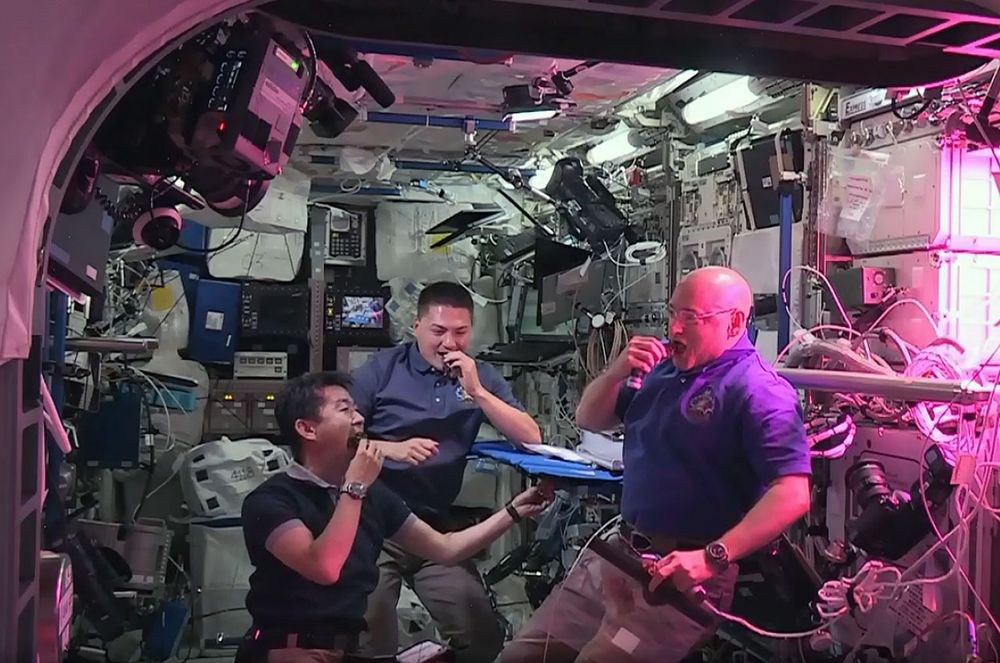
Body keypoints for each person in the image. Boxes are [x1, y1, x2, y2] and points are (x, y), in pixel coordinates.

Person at [500, 266, 812, 663]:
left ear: (735, 322)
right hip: (620, 555)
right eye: (672, 313)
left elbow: (793, 493)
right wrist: (617, 370)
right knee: (522, 656)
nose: (676, 328)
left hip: (681, 574)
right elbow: (589, 417)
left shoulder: (759, 390)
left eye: (691, 318)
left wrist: (712, 556)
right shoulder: (662, 369)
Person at [239, 372, 550, 663]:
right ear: (307, 428)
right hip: (286, 650)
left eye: (356, 409)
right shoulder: (272, 500)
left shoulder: (372, 496)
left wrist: (512, 511)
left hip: (345, 649)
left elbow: (445, 547)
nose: (359, 418)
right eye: (344, 409)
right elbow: (324, 567)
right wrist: (355, 487)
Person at [351, 281, 543, 662]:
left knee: (481, 630)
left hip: (433, 528)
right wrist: (391, 449)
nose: (449, 343)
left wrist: (479, 393)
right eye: (438, 331)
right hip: (372, 525)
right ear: (417, 325)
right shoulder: (383, 369)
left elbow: (531, 437)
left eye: (460, 332)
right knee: (370, 637)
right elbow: (337, 438)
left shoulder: (479, 375)